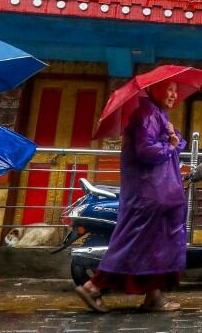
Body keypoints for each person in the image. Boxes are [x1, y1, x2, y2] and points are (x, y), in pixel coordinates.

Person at [74, 81, 186, 313]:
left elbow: (174, 141)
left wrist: (173, 139)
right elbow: (147, 150)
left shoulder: (158, 115)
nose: (174, 95)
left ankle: (153, 297)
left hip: (158, 193)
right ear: (153, 89)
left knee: (154, 245)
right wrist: (172, 146)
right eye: (169, 89)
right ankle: (93, 286)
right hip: (150, 193)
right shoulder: (146, 115)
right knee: (133, 242)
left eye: (176, 90)